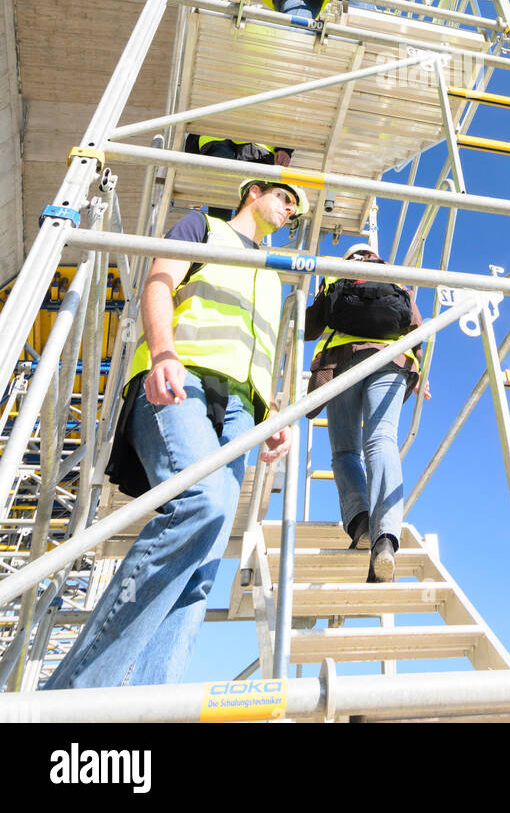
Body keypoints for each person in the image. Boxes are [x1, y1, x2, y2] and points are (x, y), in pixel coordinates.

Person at [44, 177, 306, 690]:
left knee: (202, 566)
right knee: (202, 504)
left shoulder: (275, 277)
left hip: (242, 412)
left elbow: (262, 353)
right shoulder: (203, 226)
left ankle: (150, 704)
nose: (290, 210)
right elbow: (160, 281)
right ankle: (72, 697)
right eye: (284, 197)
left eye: (296, 208)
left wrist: (275, 413)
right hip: (180, 381)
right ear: (253, 192)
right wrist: (163, 351)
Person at [304, 243, 426, 582]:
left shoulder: (337, 274)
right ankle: (386, 536)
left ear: (350, 257)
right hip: (392, 359)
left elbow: (310, 328)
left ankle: (360, 522)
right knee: (382, 439)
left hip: (341, 362)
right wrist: (421, 375)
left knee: (345, 451)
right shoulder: (396, 278)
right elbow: (416, 326)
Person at [184, 134, 295, 219]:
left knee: (247, 200)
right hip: (221, 140)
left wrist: (285, 149)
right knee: (223, 189)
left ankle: (221, 238)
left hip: (255, 147)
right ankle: (218, 238)